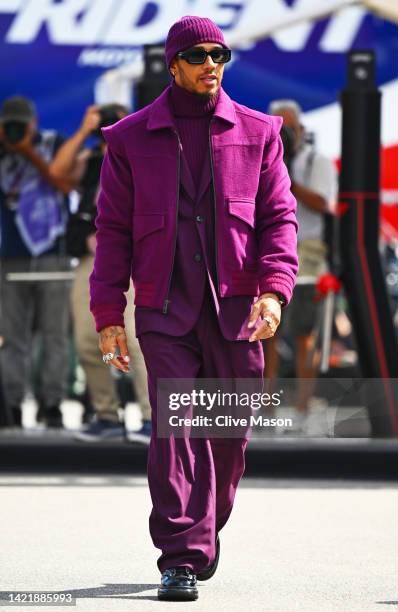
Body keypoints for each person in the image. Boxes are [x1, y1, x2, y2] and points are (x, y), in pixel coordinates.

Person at [89, 16, 298, 602]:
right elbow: (112, 231)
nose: (212, 64)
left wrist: (273, 290)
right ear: (173, 64)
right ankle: (180, 555)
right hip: (163, 310)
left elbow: (280, 218)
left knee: (227, 438)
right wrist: (109, 313)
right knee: (176, 428)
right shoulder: (128, 139)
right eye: (199, 55)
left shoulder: (259, 132)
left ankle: (205, 524)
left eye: (220, 54)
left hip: (238, 309)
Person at [49, 104, 152, 443]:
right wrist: (83, 132)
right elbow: (58, 173)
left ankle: (154, 418)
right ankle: (105, 414)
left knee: (137, 338)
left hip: (135, 259)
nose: (111, 135)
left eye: (118, 127)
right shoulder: (93, 161)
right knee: (87, 340)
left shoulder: (148, 157)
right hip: (93, 260)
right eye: (105, 129)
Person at [264, 99, 337, 434]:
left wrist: (285, 178)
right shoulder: (261, 161)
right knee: (266, 335)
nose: (284, 136)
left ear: (301, 130)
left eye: (288, 129)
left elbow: (323, 203)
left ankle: (303, 409)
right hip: (270, 251)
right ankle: (266, 409)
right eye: (277, 129)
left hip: (306, 252)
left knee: (303, 334)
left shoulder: (316, 161)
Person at [0, 96, 71, 429]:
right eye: (9, 124)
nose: (15, 130)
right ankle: (11, 405)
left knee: (54, 334)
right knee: (13, 337)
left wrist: (28, 151)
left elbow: (64, 182)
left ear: (33, 123)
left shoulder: (51, 142)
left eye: (21, 124)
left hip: (52, 253)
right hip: (9, 256)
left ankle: (52, 403)